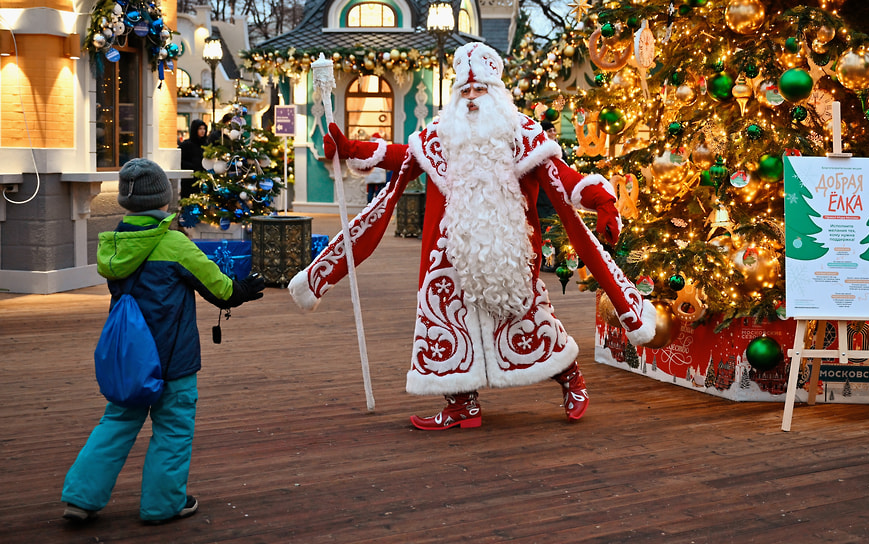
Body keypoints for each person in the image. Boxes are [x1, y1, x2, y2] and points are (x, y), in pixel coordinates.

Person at [289, 42, 656, 430]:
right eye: (464, 91)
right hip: (448, 257)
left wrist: (601, 199)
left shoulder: (524, 135)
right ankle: (461, 404)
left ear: (496, 92)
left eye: (479, 89)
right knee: (449, 324)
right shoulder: (439, 135)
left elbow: (562, 179)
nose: (471, 98)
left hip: (510, 253)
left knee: (530, 320)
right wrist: (349, 149)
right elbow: (401, 156)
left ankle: (570, 379)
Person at [61, 159, 266, 523]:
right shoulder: (174, 245)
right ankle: (162, 504)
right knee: (172, 429)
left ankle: (80, 497)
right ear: (163, 201)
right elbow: (222, 290)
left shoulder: (113, 244)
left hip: (128, 360)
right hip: (173, 360)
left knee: (117, 423)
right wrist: (247, 289)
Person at [178, 120, 208, 198]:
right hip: (189, 179)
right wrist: (193, 167)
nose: (202, 131)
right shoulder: (186, 145)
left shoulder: (206, 145)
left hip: (203, 178)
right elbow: (179, 161)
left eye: (204, 129)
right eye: (200, 129)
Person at [364, 133, 389, 203]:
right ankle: (376, 204)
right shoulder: (382, 146)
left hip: (370, 173)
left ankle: (369, 205)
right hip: (379, 173)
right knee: (379, 191)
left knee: (370, 191)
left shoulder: (367, 146)